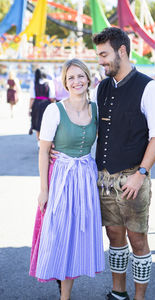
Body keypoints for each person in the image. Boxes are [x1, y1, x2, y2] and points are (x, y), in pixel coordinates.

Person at [92, 28, 155, 300]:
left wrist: (141, 174)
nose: (100, 61)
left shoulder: (148, 87)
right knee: (114, 237)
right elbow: (92, 127)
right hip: (105, 178)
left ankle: (139, 298)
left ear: (122, 51)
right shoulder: (102, 87)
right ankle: (118, 292)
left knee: (138, 240)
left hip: (133, 177)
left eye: (104, 54)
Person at [29, 59, 105, 300]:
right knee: (59, 233)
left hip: (85, 177)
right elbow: (43, 150)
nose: (76, 81)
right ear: (64, 82)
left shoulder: (96, 109)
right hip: (61, 176)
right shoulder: (55, 110)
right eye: (71, 78)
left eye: (80, 76)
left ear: (88, 78)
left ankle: (66, 295)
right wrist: (44, 189)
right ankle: (61, 287)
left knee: (78, 235)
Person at [29, 68, 55, 142]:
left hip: (36, 105)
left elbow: (32, 98)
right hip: (47, 105)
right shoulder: (49, 82)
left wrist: (29, 109)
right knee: (48, 124)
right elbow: (52, 97)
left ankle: (39, 143)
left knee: (37, 125)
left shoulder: (33, 82)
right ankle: (48, 142)